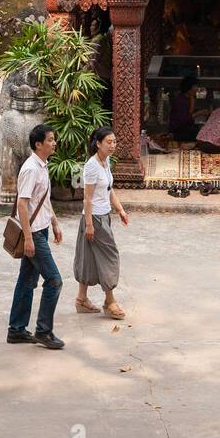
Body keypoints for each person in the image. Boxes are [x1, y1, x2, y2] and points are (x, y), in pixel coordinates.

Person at [7, 124, 65, 350]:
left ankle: (17, 329)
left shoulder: (42, 165)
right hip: (34, 233)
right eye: (50, 140)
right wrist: (29, 239)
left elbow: (43, 200)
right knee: (54, 280)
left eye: (53, 139)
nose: (54, 143)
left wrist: (55, 223)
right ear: (38, 144)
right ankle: (43, 331)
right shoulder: (31, 168)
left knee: (27, 281)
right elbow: (22, 203)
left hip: (42, 228)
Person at [74, 126, 129, 319]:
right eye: (109, 142)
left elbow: (109, 189)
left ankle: (81, 299)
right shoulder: (91, 166)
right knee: (110, 257)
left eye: (114, 141)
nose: (113, 145)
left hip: (104, 216)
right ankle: (110, 301)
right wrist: (89, 225)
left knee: (88, 257)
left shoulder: (106, 162)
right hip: (94, 219)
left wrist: (120, 209)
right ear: (98, 144)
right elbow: (87, 198)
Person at [169, 74, 198, 142]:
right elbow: (185, 119)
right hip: (177, 130)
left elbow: (190, 113)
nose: (197, 89)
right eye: (195, 86)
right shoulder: (180, 100)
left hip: (186, 128)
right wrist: (199, 113)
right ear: (188, 88)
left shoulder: (189, 98)